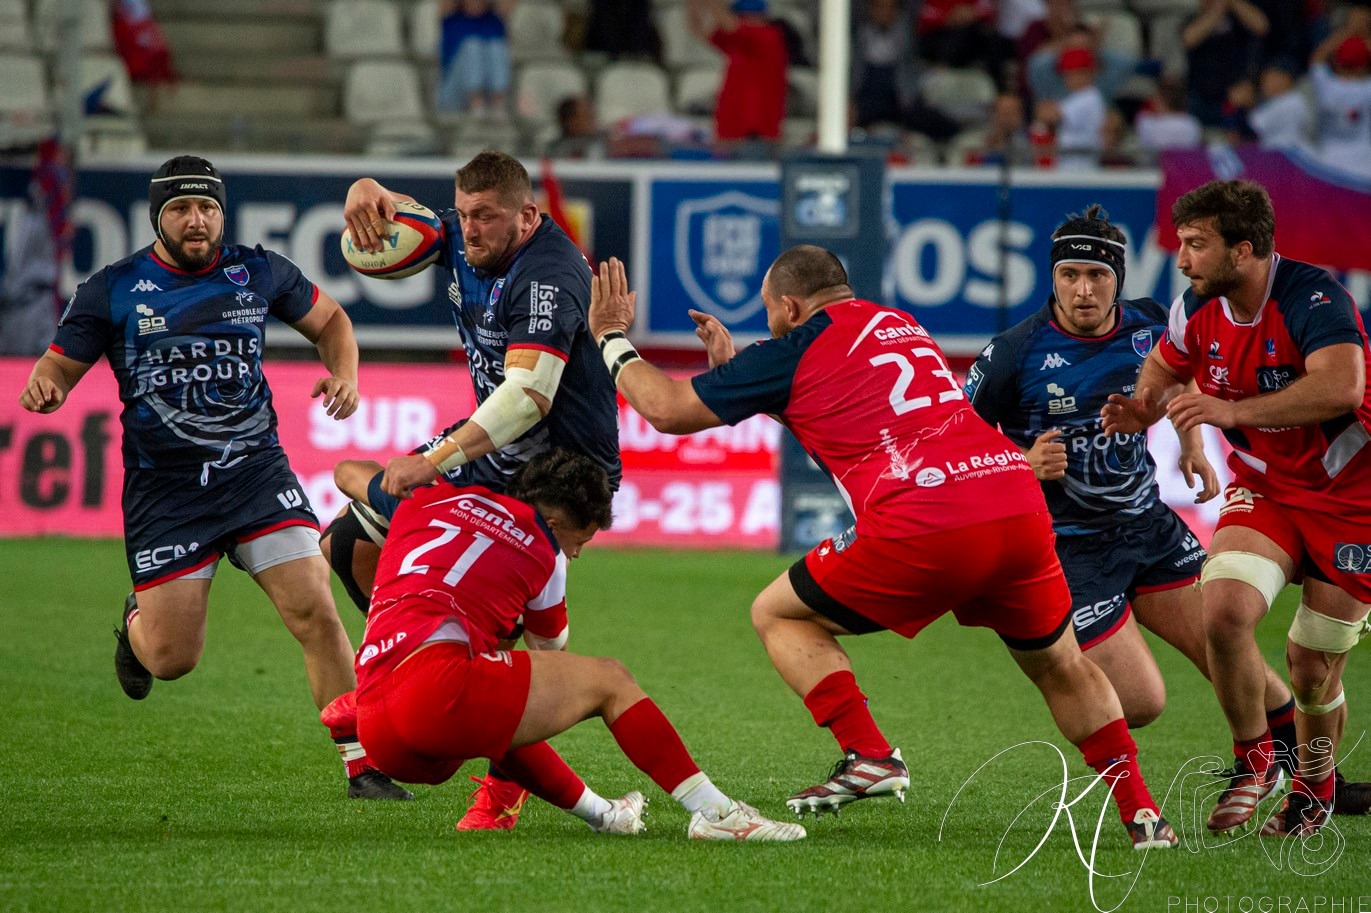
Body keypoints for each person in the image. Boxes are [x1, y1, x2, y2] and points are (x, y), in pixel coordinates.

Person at [588, 247, 1179, 850]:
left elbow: (662, 408)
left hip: (928, 519)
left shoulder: (791, 350)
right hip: (1016, 501)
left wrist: (611, 336)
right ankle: (1143, 817)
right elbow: (843, 412)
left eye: (769, 313)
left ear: (790, 307)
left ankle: (869, 753)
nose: (769, 325)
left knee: (778, 613)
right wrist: (751, 385)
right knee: (1062, 665)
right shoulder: (898, 323)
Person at [15, 155, 410, 801]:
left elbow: (333, 321)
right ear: (158, 217)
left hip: (255, 473)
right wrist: (46, 385)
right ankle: (139, 620)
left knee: (313, 605)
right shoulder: (113, 287)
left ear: (222, 213)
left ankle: (361, 762)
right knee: (173, 659)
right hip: (166, 491)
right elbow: (59, 367)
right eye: (180, 208)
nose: (196, 220)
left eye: (207, 208)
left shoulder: (256, 269)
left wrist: (346, 373)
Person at [324, 149, 621, 828]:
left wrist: (438, 459)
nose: (470, 229)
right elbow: (401, 210)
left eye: (485, 216)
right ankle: (421, 664)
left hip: (560, 468)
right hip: (492, 450)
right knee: (348, 541)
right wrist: (364, 186)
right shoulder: (463, 234)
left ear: (529, 216)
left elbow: (528, 395)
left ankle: (502, 784)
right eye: (463, 214)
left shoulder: (549, 272)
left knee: (539, 639)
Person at [323, 449, 805, 842]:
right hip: (433, 700)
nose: (576, 552)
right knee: (609, 680)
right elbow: (550, 648)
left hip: (378, 726)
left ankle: (606, 815)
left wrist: (397, 480)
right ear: (554, 522)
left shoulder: (428, 500)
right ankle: (715, 814)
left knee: (498, 699)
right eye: (581, 540)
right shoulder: (545, 548)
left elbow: (347, 471)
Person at [965, 205, 1304, 757]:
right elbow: (958, 444)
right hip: (1070, 550)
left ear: (1117, 280)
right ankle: (1054, 655)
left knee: (1231, 652)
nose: (1083, 290)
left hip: (1149, 529)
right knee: (1142, 702)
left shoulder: (1150, 324)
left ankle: (1314, 782)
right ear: (1051, 278)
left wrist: (1191, 441)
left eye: (1097, 276)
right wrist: (1021, 463)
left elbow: (1183, 369)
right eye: (1069, 275)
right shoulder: (1011, 355)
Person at [1102, 179, 1371, 836]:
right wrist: (1145, 414)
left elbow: (1342, 385)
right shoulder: (1193, 309)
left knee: (1310, 670)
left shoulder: (1312, 297)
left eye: (1196, 245)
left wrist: (1229, 410)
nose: (1183, 259)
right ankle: (1254, 756)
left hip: (1350, 499)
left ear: (1243, 250)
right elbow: (1163, 374)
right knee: (1221, 610)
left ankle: (1313, 787)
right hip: (1267, 487)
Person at [686, 0, 788, 145]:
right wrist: (692, 4)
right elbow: (699, 30)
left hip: (757, 132)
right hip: (731, 131)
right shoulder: (738, 42)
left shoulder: (769, 36)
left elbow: (730, 24)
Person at [435, 0, 515, 118]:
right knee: (472, 46)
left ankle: (498, 103)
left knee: (497, 46)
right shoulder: (451, 18)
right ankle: (476, 103)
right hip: (454, 91)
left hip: (488, 90)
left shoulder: (493, 21)